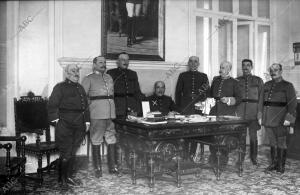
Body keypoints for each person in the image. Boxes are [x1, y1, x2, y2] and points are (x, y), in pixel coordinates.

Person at [48, 64, 90, 188]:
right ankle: (62, 180)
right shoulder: (60, 87)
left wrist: (87, 122)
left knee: (72, 152)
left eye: (77, 71)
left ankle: (69, 177)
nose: (76, 73)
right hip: (65, 124)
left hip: (79, 124)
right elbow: (52, 105)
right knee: (66, 152)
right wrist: (57, 121)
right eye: (73, 71)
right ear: (67, 73)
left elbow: (85, 107)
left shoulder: (80, 87)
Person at [81, 56, 119, 177]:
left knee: (111, 137)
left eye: (105, 62)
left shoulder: (109, 77)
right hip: (96, 113)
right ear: (94, 64)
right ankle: (98, 169)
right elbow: (82, 98)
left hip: (110, 113)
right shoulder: (88, 78)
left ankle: (113, 167)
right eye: (100, 62)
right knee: (96, 138)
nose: (103, 64)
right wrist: (89, 110)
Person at [258, 63, 297, 174]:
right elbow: (261, 102)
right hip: (267, 118)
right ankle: (274, 164)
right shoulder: (266, 85)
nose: (273, 72)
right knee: (272, 142)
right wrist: (260, 116)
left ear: (281, 71)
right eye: (271, 70)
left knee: (281, 142)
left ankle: (281, 165)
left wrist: (289, 119)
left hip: (281, 120)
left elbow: (293, 104)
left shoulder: (288, 85)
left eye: (276, 70)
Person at [175, 56, 209, 160]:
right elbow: (178, 92)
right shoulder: (183, 75)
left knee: (195, 132)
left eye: (195, 62)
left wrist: (201, 100)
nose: (193, 63)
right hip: (185, 107)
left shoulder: (203, 76)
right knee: (185, 132)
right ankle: (185, 154)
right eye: (191, 61)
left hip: (198, 108)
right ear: (188, 63)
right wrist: (179, 108)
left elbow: (207, 92)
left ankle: (192, 154)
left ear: (198, 64)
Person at [209, 61, 242, 165]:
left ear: (229, 70)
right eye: (220, 67)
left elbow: (239, 99)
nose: (221, 70)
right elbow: (210, 95)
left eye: (223, 68)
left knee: (224, 137)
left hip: (227, 112)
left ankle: (223, 159)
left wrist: (228, 100)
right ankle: (214, 156)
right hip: (214, 112)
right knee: (213, 135)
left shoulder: (234, 82)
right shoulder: (215, 80)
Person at [236, 59, 264, 165]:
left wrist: (259, 113)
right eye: (244, 65)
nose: (245, 67)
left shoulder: (258, 80)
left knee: (253, 136)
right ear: (241, 67)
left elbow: (261, 98)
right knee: (241, 136)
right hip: (240, 112)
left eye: (248, 65)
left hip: (253, 112)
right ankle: (241, 157)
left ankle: (254, 157)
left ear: (252, 67)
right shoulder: (237, 80)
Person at [107, 52, 144, 119]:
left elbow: (137, 92)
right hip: (118, 108)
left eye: (127, 60)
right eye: (123, 60)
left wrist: (141, 108)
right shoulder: (111, 73)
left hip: (132, 107)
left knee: (132, 127)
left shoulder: (133, 73)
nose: (125, 62)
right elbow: (108, 92)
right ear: (117, 61)